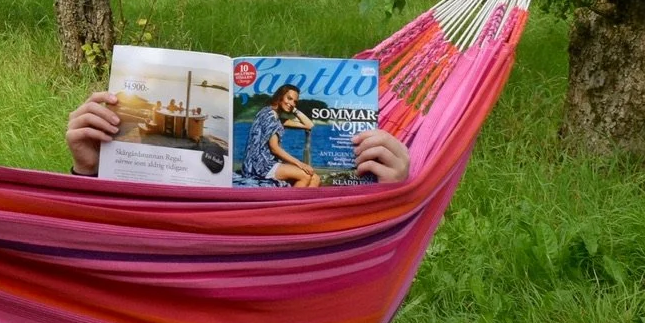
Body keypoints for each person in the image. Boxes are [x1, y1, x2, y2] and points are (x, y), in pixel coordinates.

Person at [65, 86, 412, 183]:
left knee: (308, 179)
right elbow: (276, 146)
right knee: (311, 181)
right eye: (290, 99)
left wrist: (395, 192)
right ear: (281, 99)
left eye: (296, 100)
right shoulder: (270, 117)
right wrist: (92, 171)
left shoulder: (269, 114)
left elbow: (300, 127)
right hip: (262, 167)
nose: (293, 104)